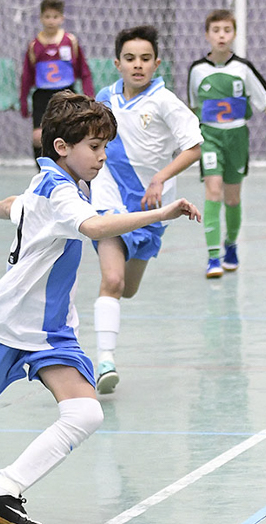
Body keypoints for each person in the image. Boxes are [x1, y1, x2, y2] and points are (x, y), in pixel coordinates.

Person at [0, 91, 202, 524]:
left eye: (105, 146)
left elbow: (21, 204)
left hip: (52, 331)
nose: (102, 156)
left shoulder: (59, 182)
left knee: (86, 413)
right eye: (94, 147)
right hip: (6, 324)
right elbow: (92, 226)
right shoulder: (62, 193)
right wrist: (160, 212)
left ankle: (3, 490)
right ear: (63, 148)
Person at [89, 25, 204, 395]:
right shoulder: (104, 98)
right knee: (113, 281)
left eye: (144, 59)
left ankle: (108, 319)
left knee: (129, 288)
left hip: (152, 208)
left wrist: (161, 178)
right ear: (117, 63)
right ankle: (104, 360)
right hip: (108, 200)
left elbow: (194, 146)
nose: (137, 65)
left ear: (156, 63)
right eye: (129, 59)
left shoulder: (165, 101)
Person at [188, 9, 266, 278]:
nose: (221, 35)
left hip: (237, 138)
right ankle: (213, 256)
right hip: (210, 137)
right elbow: (193, 108)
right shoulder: (197, 70)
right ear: (207, 35)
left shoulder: (243, 68)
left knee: (232, 197)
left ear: (234, 34)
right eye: (216, 30)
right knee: (213, 192)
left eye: (227, 30)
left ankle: (230, 246)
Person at [20, 0, 94, 160]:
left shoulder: (70, 42)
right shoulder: (34, 46)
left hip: (67, 93)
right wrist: (23, 101)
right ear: (41, 18)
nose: (51, 20)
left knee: (70, 135)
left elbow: (84, 71)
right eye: (47, 16)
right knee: (38, 136)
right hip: (43, 96)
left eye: (55, 16)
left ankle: (68, 169)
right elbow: (26, 75)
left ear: (62, 18)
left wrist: (90, 96)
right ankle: (43, 172)